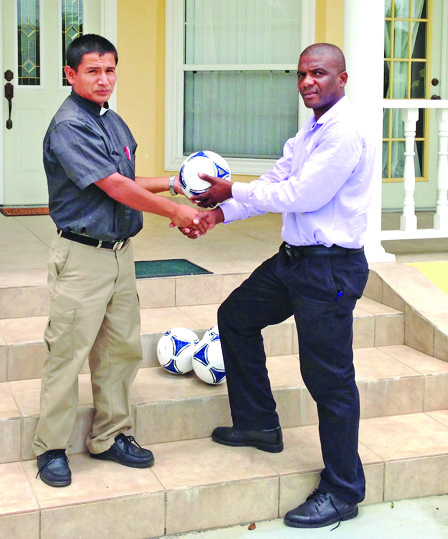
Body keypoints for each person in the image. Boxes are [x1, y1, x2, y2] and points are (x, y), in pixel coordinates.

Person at [179, 43, 375, 529]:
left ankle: (343, 490)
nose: (307, 82)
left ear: (342, 79)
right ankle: (259, 424)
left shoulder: (344, 133)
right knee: (236, 317)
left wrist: (231, 190)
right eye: (302, 74)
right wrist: (218, 214)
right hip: (295, 262)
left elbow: (302, 195)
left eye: (319, 73)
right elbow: (275, 182)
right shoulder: (310, 131)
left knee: (329, 379)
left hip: (330, 269)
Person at [33, 34, 206, 487]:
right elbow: (113, 187)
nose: (104, 79)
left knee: (120, 350)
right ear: (70, 74)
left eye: (110, 70)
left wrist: (172, 184)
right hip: (81, 257)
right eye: (92, 70)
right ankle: (51, 447)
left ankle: (110, 436)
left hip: (120, 254)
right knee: (67, 353)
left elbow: (125, 179)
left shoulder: (111, 120)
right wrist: (175, 211)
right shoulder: (69, 126)